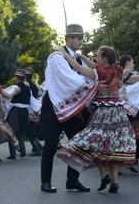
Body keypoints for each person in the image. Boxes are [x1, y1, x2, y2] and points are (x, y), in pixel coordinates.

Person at [58, 46, 137, 194]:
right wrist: (81, 56)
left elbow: (76, 67)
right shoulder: (118, 71)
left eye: (98, 56)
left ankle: (104, 176)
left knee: (97, 145)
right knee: (114, 147)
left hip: (102, 113)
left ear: (105, 58)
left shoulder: (98, 72)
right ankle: (114, 182)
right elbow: (93, 64)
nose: (96, 58)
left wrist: (65, 53)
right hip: (118, 113)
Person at [40, 24, 99, 193]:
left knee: (79, 142)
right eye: (78, 38)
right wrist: (93, 85)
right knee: (50, 144)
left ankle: (72, 180)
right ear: (68, 39)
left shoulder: (79, 59)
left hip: (73, 107)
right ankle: (45, 182)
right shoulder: (56, 57)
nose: (81, 40)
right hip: (53, 104)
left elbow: (95, 73)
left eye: (82, 37)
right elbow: (70, 78)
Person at [24, 67, 42, 156]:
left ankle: (37, 148)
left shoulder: (26, 86)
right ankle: (38, 146)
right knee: (32, 130)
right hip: (35, 109)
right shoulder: (33, 85)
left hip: (29, 109)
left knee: (30, 130)